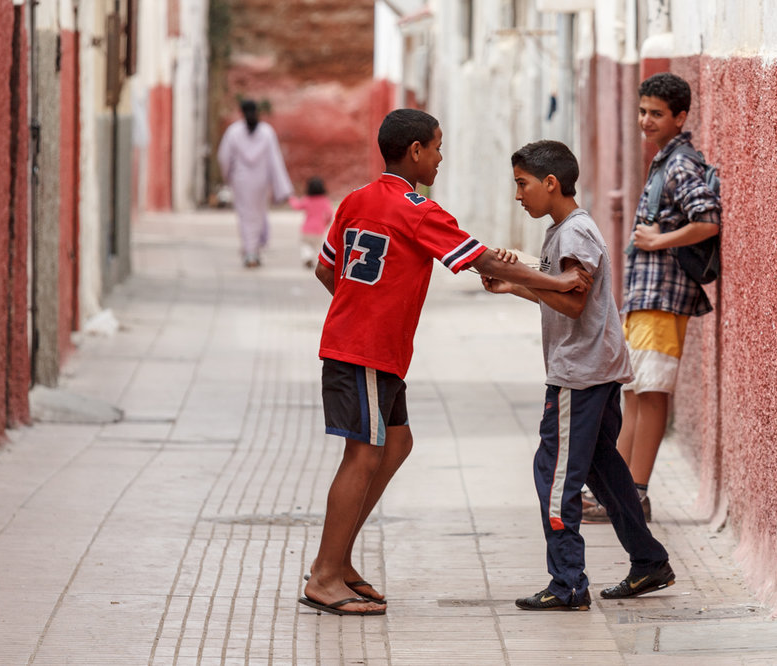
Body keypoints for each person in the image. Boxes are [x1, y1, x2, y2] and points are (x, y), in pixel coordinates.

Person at [300, 109, 592, 617]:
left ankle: (339, 560)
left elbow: (328, 269)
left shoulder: (355, 200)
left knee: (397, 442)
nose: (440, 159)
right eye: (437, 148)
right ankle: (325, 575)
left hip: (370, 348)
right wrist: (556, 281)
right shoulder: (418, 208)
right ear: (414, 151)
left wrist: (357, 308)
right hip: (365, 350)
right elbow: (485, 261)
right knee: (363, 455)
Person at [481, 139, 675, 611]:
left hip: (580, 376)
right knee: (602, 468)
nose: (518, 195)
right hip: (596, 369)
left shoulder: (573, 234)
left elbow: (572, 300)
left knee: (554, 474)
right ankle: (649, 561)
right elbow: (561, 296)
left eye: (522, 185)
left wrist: (525, 277)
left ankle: (568, 581)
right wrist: (515, 285)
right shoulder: (566, 230)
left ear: (551, 183)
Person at [582, 72, 721, 524]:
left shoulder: (681, 164)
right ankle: (616, 490)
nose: (646, 120)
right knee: (635, 390)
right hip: (646, 297)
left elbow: (708, 220)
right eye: (643, 112)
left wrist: (660, 240)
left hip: (664, 296)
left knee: (653, 391)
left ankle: (634, 493)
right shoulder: (664, 161)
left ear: (680, 117)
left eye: (656, 114)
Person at [217, 99, 294, 268]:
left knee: (245, 216)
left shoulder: (233, 132)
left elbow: (224, 157)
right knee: (258, 215)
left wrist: (227, 176)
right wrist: (280, 186)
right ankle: (254, 250)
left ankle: (250, 251)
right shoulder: (267, 132)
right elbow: (275, 161)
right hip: (261, 181)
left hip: (241, 181)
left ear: (241, 113)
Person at [288, 176, 334, 268]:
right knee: (317, 246)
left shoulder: (307, 199)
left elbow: (296, 206)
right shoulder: (325, 200)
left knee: (305, 245)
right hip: (319, 229)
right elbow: (329, 214)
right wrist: (326, 223)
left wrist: (291, 198)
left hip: (307, 229)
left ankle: (308, 257)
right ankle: (320, 260)